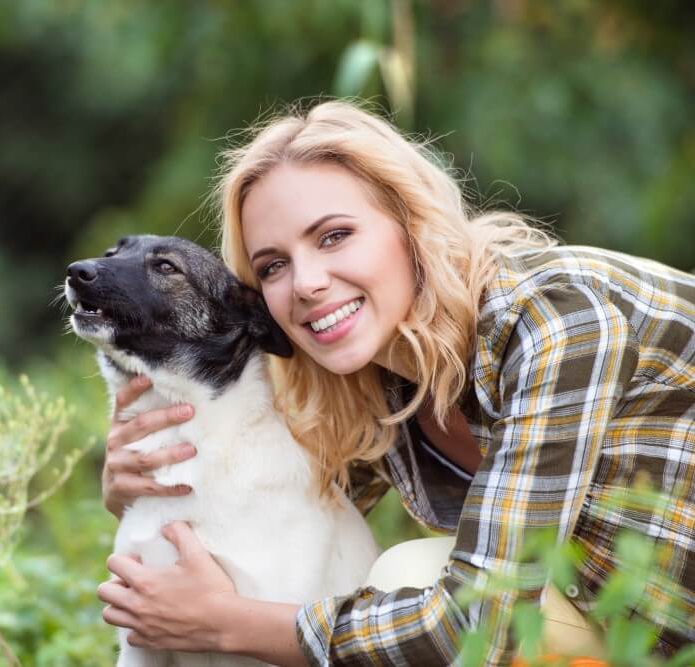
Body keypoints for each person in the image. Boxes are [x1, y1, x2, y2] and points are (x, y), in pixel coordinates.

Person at [95, 100, 695, 665]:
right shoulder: (377, 380)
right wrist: (150, 484)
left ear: (411, 222)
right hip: (632, 625)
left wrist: (226, 623)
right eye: (273, 265)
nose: (305, 283)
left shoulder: (557, 321)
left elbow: (479, 625)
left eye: (334, 236)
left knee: (408, 578)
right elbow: (270, 515)